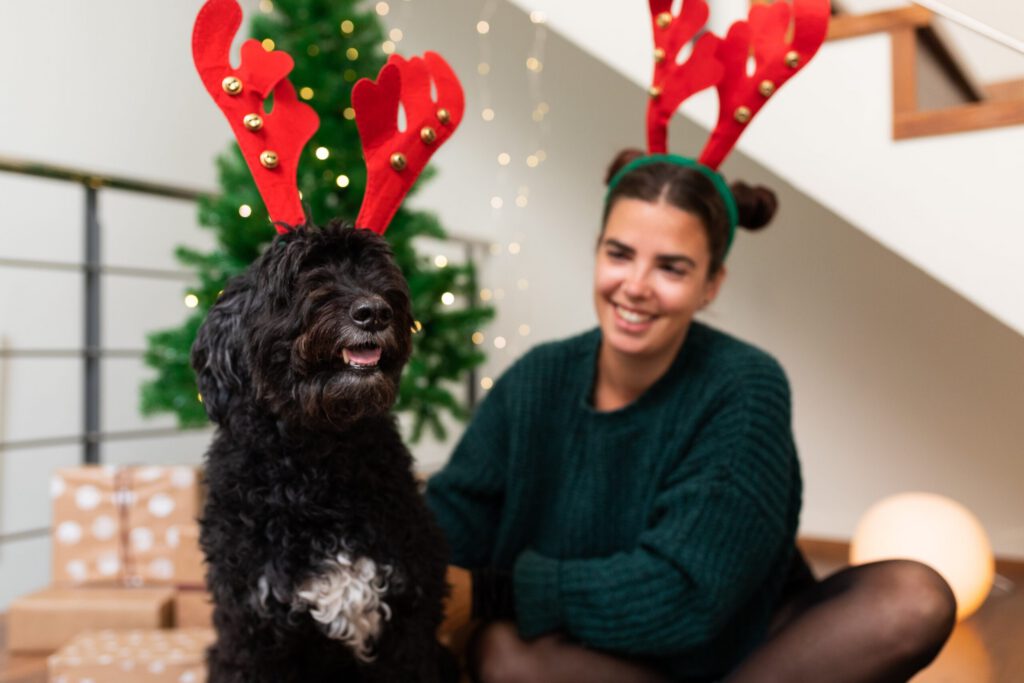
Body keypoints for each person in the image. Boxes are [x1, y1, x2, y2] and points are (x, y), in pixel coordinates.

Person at [426, 150, 956, 683]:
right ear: (597, 255)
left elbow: (687, 597)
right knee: (503, 655)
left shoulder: (744, 386)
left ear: (711, 284)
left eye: (671, 268)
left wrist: (495, 592)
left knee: (913, 598)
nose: (635, 285)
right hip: (601, 657)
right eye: (619, 254)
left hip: (745, 652)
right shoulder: (538, 378)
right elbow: (453, 520)